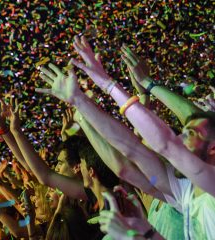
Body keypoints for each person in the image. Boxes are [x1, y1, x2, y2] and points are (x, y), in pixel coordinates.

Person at [36, 35, 215, 238]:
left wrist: (114, 86)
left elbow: (165, 144)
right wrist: (81, 101)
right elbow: (132, 152)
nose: (180, 138)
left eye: (189, 134)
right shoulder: (186, 194)